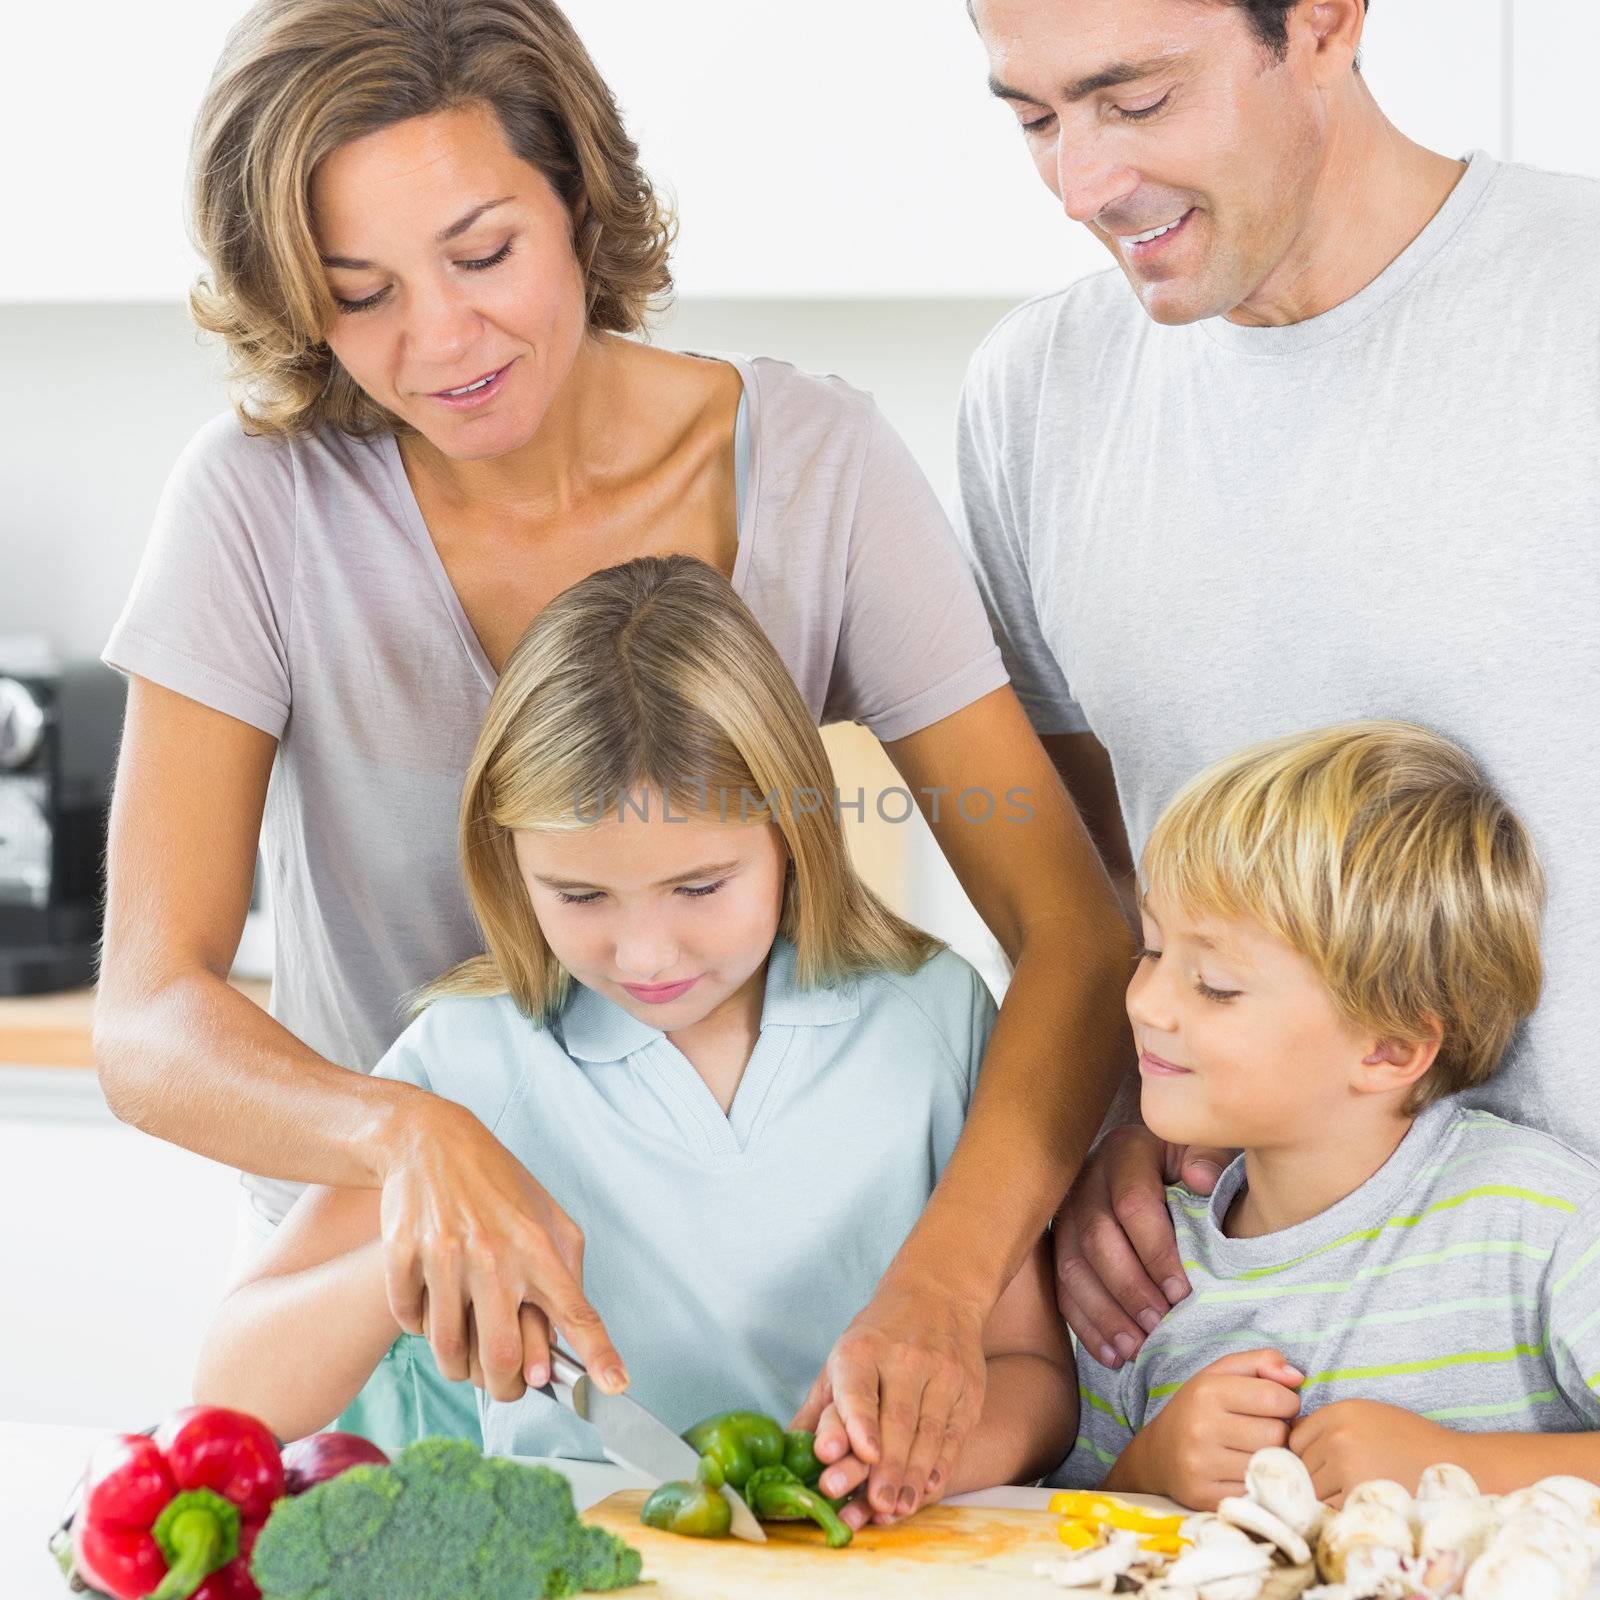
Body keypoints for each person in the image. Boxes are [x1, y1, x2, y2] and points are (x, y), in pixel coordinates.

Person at [94, 0, 1133, 1514]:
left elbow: (1072, 926)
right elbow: (146, 1017)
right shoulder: (259, 509)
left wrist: (940, 1291)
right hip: (420, 1346)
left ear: (579, 199)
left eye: (483, 253)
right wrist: (410, 1143)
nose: (439, 341)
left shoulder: (818, 470)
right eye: (357, 290)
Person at [956, 0, 1600, 1377]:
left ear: (1324, 20)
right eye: (1033, 117)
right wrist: (1133, 1102)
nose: (1083, 185)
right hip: (1272, 1385)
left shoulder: (1575, 304)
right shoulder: (1037, 400)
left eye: (1134, 102)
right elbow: (1090, 899)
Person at [194, 556, 1077, 1521]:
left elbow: (1032, 1375)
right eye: (580, 896)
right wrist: (411, 1260)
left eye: (700, 886)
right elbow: (233, 1389)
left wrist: (916, 1468)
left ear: (793, 829)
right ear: (508, 859)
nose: (647, 952)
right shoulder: (468, 1061)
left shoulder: (932, 1018)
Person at [1058, 720, 1600, 1507]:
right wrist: (1145, 1472)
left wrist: (1457, 1468)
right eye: (1151, 950)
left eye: (1214, 983)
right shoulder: (1144, 1267)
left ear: (1388, 1047)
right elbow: (1051, 1541)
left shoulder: (1539, 1217)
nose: (1145, 1001)